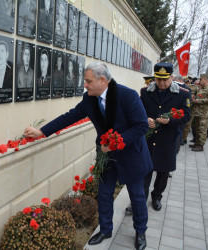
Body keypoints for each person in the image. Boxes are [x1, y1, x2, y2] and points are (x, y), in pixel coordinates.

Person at [24, 62, 152, 250]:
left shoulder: (128, 96)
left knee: (137, 196)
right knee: (104, 193)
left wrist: (115, 142)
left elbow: (141, 126)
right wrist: (41, 131)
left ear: (102, 80)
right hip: (107, 157)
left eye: (88, 81)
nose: (85, 84)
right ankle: (105, 229)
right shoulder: (89, 99)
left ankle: (140, 231)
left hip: (131, 155)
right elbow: (70, 116)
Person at [140, 62, 191, 212]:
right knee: (144, 171)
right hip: (148, 139)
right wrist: (145, 119)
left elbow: (186, 116)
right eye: (158, 79)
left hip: (168, 139)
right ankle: (139, 200)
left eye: (165, 79)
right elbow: (138, 111)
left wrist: (170, 121)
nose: (161, 83)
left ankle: (157, 196)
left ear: (171, 77)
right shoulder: (145, 92)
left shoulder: (182, 93)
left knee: (163, 172)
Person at [189, 73, 208, 151]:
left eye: (201, 79)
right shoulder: (201, 88)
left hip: (204, 113)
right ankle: (197, 143)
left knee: (202, 130)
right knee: (197, 129)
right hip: (197, 112)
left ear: (205, 80)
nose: (200, 80)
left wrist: (198, 101)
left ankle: (201, 145)